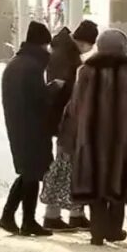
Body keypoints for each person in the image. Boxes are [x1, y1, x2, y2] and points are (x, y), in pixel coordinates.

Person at [59, 28, 127, 246]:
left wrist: (68, 138)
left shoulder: (87, 69)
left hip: (90, 139)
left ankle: (97, 231)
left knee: (94, 184)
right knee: (118, 184)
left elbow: (75, 106)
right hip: (121, 140)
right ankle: (113, 230)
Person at [0, 22, 60, 236]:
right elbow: (38, 99)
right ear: (42, 44)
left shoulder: (17, 63)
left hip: (20, 125)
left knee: (28, 173)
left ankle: (8, 216)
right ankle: (28, 221)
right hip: (31, 127)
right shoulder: (32, 67)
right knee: (32, 174)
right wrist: (53, 88)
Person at [40, 26, 91, 232]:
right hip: (67, 121)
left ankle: (75, 214)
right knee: (64, 167)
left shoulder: (66, 53)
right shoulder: (65, 56)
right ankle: (53, 215)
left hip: (68, 119)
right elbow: (57, 88)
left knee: (73, 167)